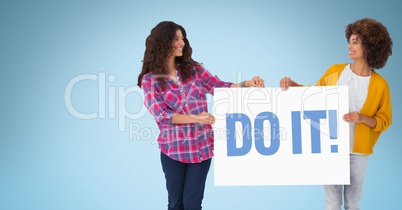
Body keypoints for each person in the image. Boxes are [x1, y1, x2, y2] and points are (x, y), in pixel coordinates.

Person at [137, 21, 264, 210]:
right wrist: (196, 118)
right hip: (173, 150)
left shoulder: (193, 69)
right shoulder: (150, 80)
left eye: (182, 38)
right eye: (176, 39)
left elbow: (218, 87)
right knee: (175, 203)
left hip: (201, 148)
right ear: (163, 43)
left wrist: (247, 83)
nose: (182, 43)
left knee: (193, 204)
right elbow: (162, 115)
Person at [279, 18, 392, 210]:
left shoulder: (380, 85)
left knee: (353, 203)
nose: (349, 46)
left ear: (370, 46)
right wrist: (294, 85)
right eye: (350, 41)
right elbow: (314, 95)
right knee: (331, 203)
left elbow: (384, 120)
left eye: (355, 42)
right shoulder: (336, 71)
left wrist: (362, 118)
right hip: (331, 147)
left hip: (358, 151)